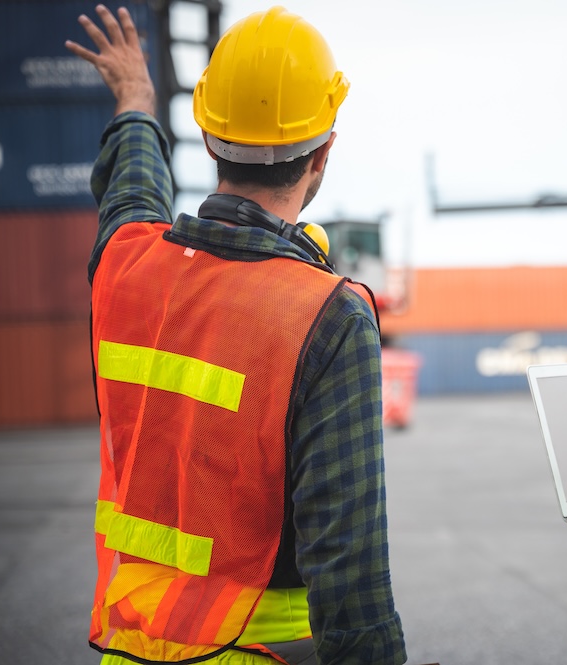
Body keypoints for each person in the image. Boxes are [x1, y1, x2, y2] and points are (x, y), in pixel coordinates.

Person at [66, 5, 407, 664]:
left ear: (205, 133)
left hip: (129, 649)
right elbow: (350, 577)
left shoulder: (124, 266)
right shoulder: (328, 316)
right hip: (263, 648)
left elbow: (130, 196)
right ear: (324, 151)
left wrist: (135, 102)